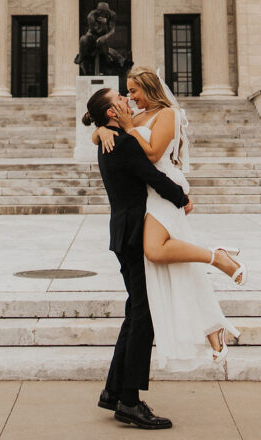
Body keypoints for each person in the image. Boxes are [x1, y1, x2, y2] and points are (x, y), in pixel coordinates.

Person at [93, 66, 245, 375]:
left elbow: (149, 155)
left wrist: (122, 127)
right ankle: (212, 320)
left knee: (157, 252)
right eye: (127, 92)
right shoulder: (132, 119)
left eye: (133, 90)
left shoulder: (168, 114)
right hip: (151, 194)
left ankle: (217, 258)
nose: (130, 97)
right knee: (174, 267)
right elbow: (106, 133)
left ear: (149, 89)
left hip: (164, 188)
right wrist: (101, 131)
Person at [83, 85, 188, 429]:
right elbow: (153, 176)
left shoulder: (109, 140)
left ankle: (114, 392)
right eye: (120, 99)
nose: (128, 99)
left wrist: (98, 131)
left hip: (122, 231)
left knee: (135, 312)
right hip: (132, 234)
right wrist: (182, 198)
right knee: (144, 315)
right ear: (112, 113)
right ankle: (129, 401)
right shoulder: (122, 142)